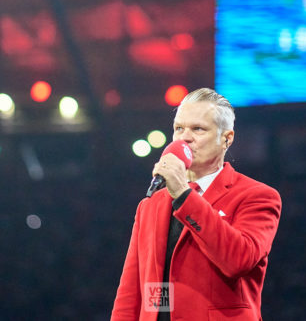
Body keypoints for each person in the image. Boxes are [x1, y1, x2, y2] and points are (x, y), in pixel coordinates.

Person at [111, 88, 282, 321]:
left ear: (226, 138)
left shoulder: (257, 196)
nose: (184, 137)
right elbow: (131, 292)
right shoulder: (150, 205)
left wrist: (183, 194)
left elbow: (238, 260)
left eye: (198, 129)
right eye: (179, 128)